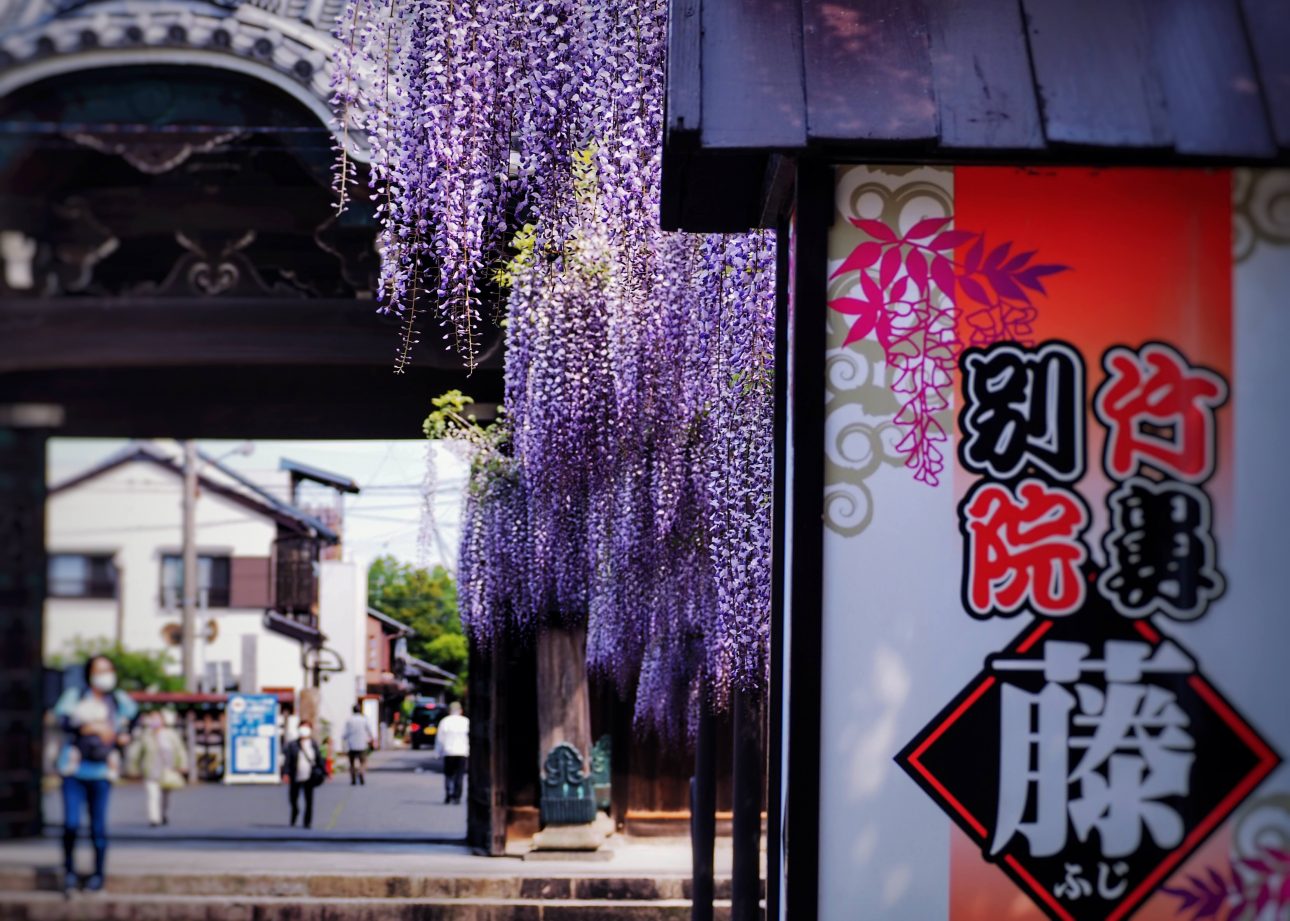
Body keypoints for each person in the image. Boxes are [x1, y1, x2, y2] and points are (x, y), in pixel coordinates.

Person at [53, 654, 137, 894]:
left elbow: (134, 719)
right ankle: (69, 872)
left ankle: (98, 875)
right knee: (71, 824)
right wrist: (87, 726)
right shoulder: (76, 696)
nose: (105, 675)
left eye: (108, 670)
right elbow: (63, 719)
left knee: (98, 827)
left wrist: (123, 736)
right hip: (74, 767)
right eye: (100, 670)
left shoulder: (118, 699)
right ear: (89, 674)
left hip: (101, 770)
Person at [132, 710, 186, 827]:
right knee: (153, 795)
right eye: (152, 718)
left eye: (157, 718)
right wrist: (134, 768)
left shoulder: (171, 734)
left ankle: (163, 813)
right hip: (150, 769)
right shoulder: (145, 735)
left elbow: (179, 750)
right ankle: (154, 818)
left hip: (167, 769)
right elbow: (136, 752)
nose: (155, 721)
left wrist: (182, 764)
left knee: (165, 795)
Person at [281, 720, 325, 828]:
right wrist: (285, 773)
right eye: (302, 727)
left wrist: (324, 771)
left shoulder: (313, 744)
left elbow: (319, 759)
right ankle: (295, 813)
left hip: (310, 776)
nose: (304, 730)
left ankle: (307, 822)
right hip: (295, 775)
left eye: (307, 727)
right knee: (293, 799)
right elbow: (288, 760)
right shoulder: (292, 745)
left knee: (309, 800)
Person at [434, 702, 469, 805]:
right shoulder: (466, 721)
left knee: (449, 774)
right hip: (462, 752)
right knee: (459, 775)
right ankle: (457, 796)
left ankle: (449, 793)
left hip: (448, 752)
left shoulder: (445, 722)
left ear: (449, 711)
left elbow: (440, 739)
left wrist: (438, 752)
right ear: (461, 711)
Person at [342, 704, 374, 786]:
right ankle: (361, 771)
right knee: (363, 761)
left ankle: (353, 779)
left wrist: (344, 739)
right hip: (362, 744)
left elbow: (345, 734)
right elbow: (369, 730)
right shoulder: (364, 719)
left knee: (351, 763)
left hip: (351, 745)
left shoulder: (349, 720)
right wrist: (372, 739)